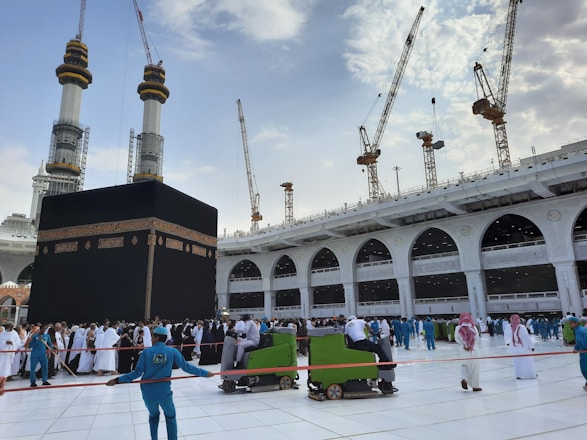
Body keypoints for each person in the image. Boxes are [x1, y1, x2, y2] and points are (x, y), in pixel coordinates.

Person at [106, 327, 214, 440]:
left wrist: (117, 380)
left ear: (157, 337)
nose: (151, 339)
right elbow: (186, 367)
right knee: (170, 416)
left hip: (148, 392)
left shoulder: (146, 352)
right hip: (163, 392)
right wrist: (205, 373)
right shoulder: (172, 351)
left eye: (153, 336)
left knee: (153, 416)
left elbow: (136, 373)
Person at [454, 312, 482, 392]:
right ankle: (475, 386)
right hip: (474, 350)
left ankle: (464, 378)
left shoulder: (458, 328)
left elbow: (456, 339)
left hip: (463, 350)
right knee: (475, 367)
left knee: (464, 366)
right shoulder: (473, 327)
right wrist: (471, 346)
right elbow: (476, 338)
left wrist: (464, 345)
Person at [507, 314, 537, 379]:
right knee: (527, 361)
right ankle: (532, 374)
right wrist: (531, 346)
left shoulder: (510, 327)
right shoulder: (521, 327)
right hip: (523, 348)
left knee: (517, 362)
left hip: (515, 348)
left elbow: (508, 338)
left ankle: (518, 375)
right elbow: (527, 337)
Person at [568, 316, 587, 390]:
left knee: (585, 369)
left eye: (571, 323)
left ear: (576, 323)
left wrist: (577, 349)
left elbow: (580, 342)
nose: (570, 325)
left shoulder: (579, 331)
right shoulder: (582, 328)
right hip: (584, 351)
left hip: (585, 352)